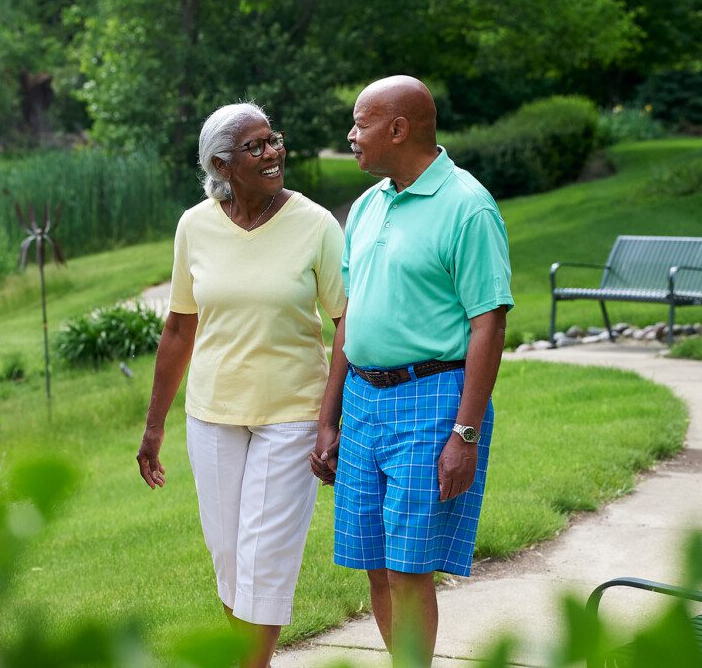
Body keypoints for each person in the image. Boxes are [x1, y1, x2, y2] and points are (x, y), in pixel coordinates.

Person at [310, 75, 513, 662]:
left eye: (360, 123)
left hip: (432, 401)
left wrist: (465, 433)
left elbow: (489, 325)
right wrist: (329, 418)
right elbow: (351, 319)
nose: (351, 136)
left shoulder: (468, 207)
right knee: (374, 566)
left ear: (398, 129)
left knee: (408, 571)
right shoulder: (369, 206)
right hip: (364, 403)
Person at [136, 102, 346, 668]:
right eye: (254, 146)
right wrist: (153, 427)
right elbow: (180, 326)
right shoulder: (194, 225)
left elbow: (346, 321)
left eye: (273, 139)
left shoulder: (317, 224)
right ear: (221, 165)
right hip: (212, 414)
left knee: (265, 560)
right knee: (229, 558)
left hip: (293, 413)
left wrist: (330, 420)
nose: (273, 152)